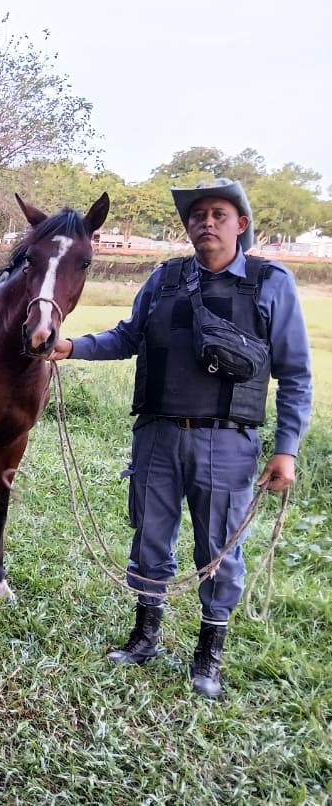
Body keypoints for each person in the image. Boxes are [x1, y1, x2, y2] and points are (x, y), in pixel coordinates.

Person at [48, 178, 312, 698]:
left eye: (218, 214)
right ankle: (145, 636)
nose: (205, 223)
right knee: (148, 538)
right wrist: (71, 346)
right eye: (197, 215)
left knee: (217, 551)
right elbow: (127, 337)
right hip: (157, 435)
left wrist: (287, 449)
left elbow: (296, 374)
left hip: (227, 441)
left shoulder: (270, 282)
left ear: (241, 223)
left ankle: (208, 656)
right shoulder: (164, 279)